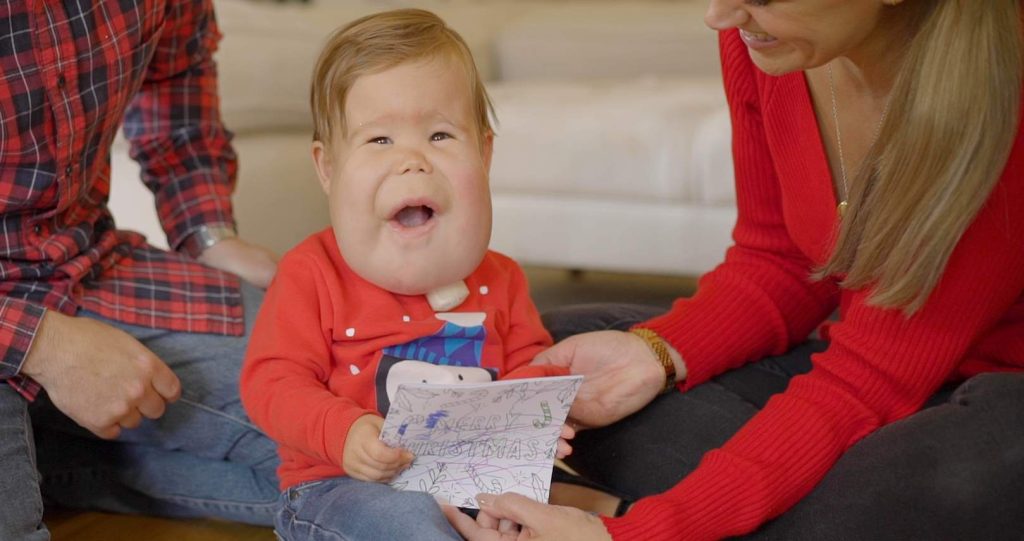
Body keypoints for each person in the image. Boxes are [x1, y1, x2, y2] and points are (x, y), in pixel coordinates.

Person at [445, 0, 1024, 539]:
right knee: (569, 348)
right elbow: (781, 261)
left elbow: (867, 379)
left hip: (993, 394)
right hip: (863, 367)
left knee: (964, 471)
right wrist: (655, 353)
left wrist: (637, 535)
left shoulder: (1000, 95)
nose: (719, 15)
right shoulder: (765, 44)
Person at [240, 9, 572, 541]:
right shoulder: (312, 272)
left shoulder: (502, 278)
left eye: (441, 135)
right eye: (379, 141)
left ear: (484, 154)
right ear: (328, 168)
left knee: (557, 515)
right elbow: (271, 383)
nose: (413, 161)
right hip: (339, 489)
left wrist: (537, 419)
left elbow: (529, 365)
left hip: (472, 483)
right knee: (409, 524)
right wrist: (342, 432)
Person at [0, 1, 283, 539]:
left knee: (350, 431)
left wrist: (208, 234)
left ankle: (52, 461)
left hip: (84, 264)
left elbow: (177, 74)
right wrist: (44, 345)